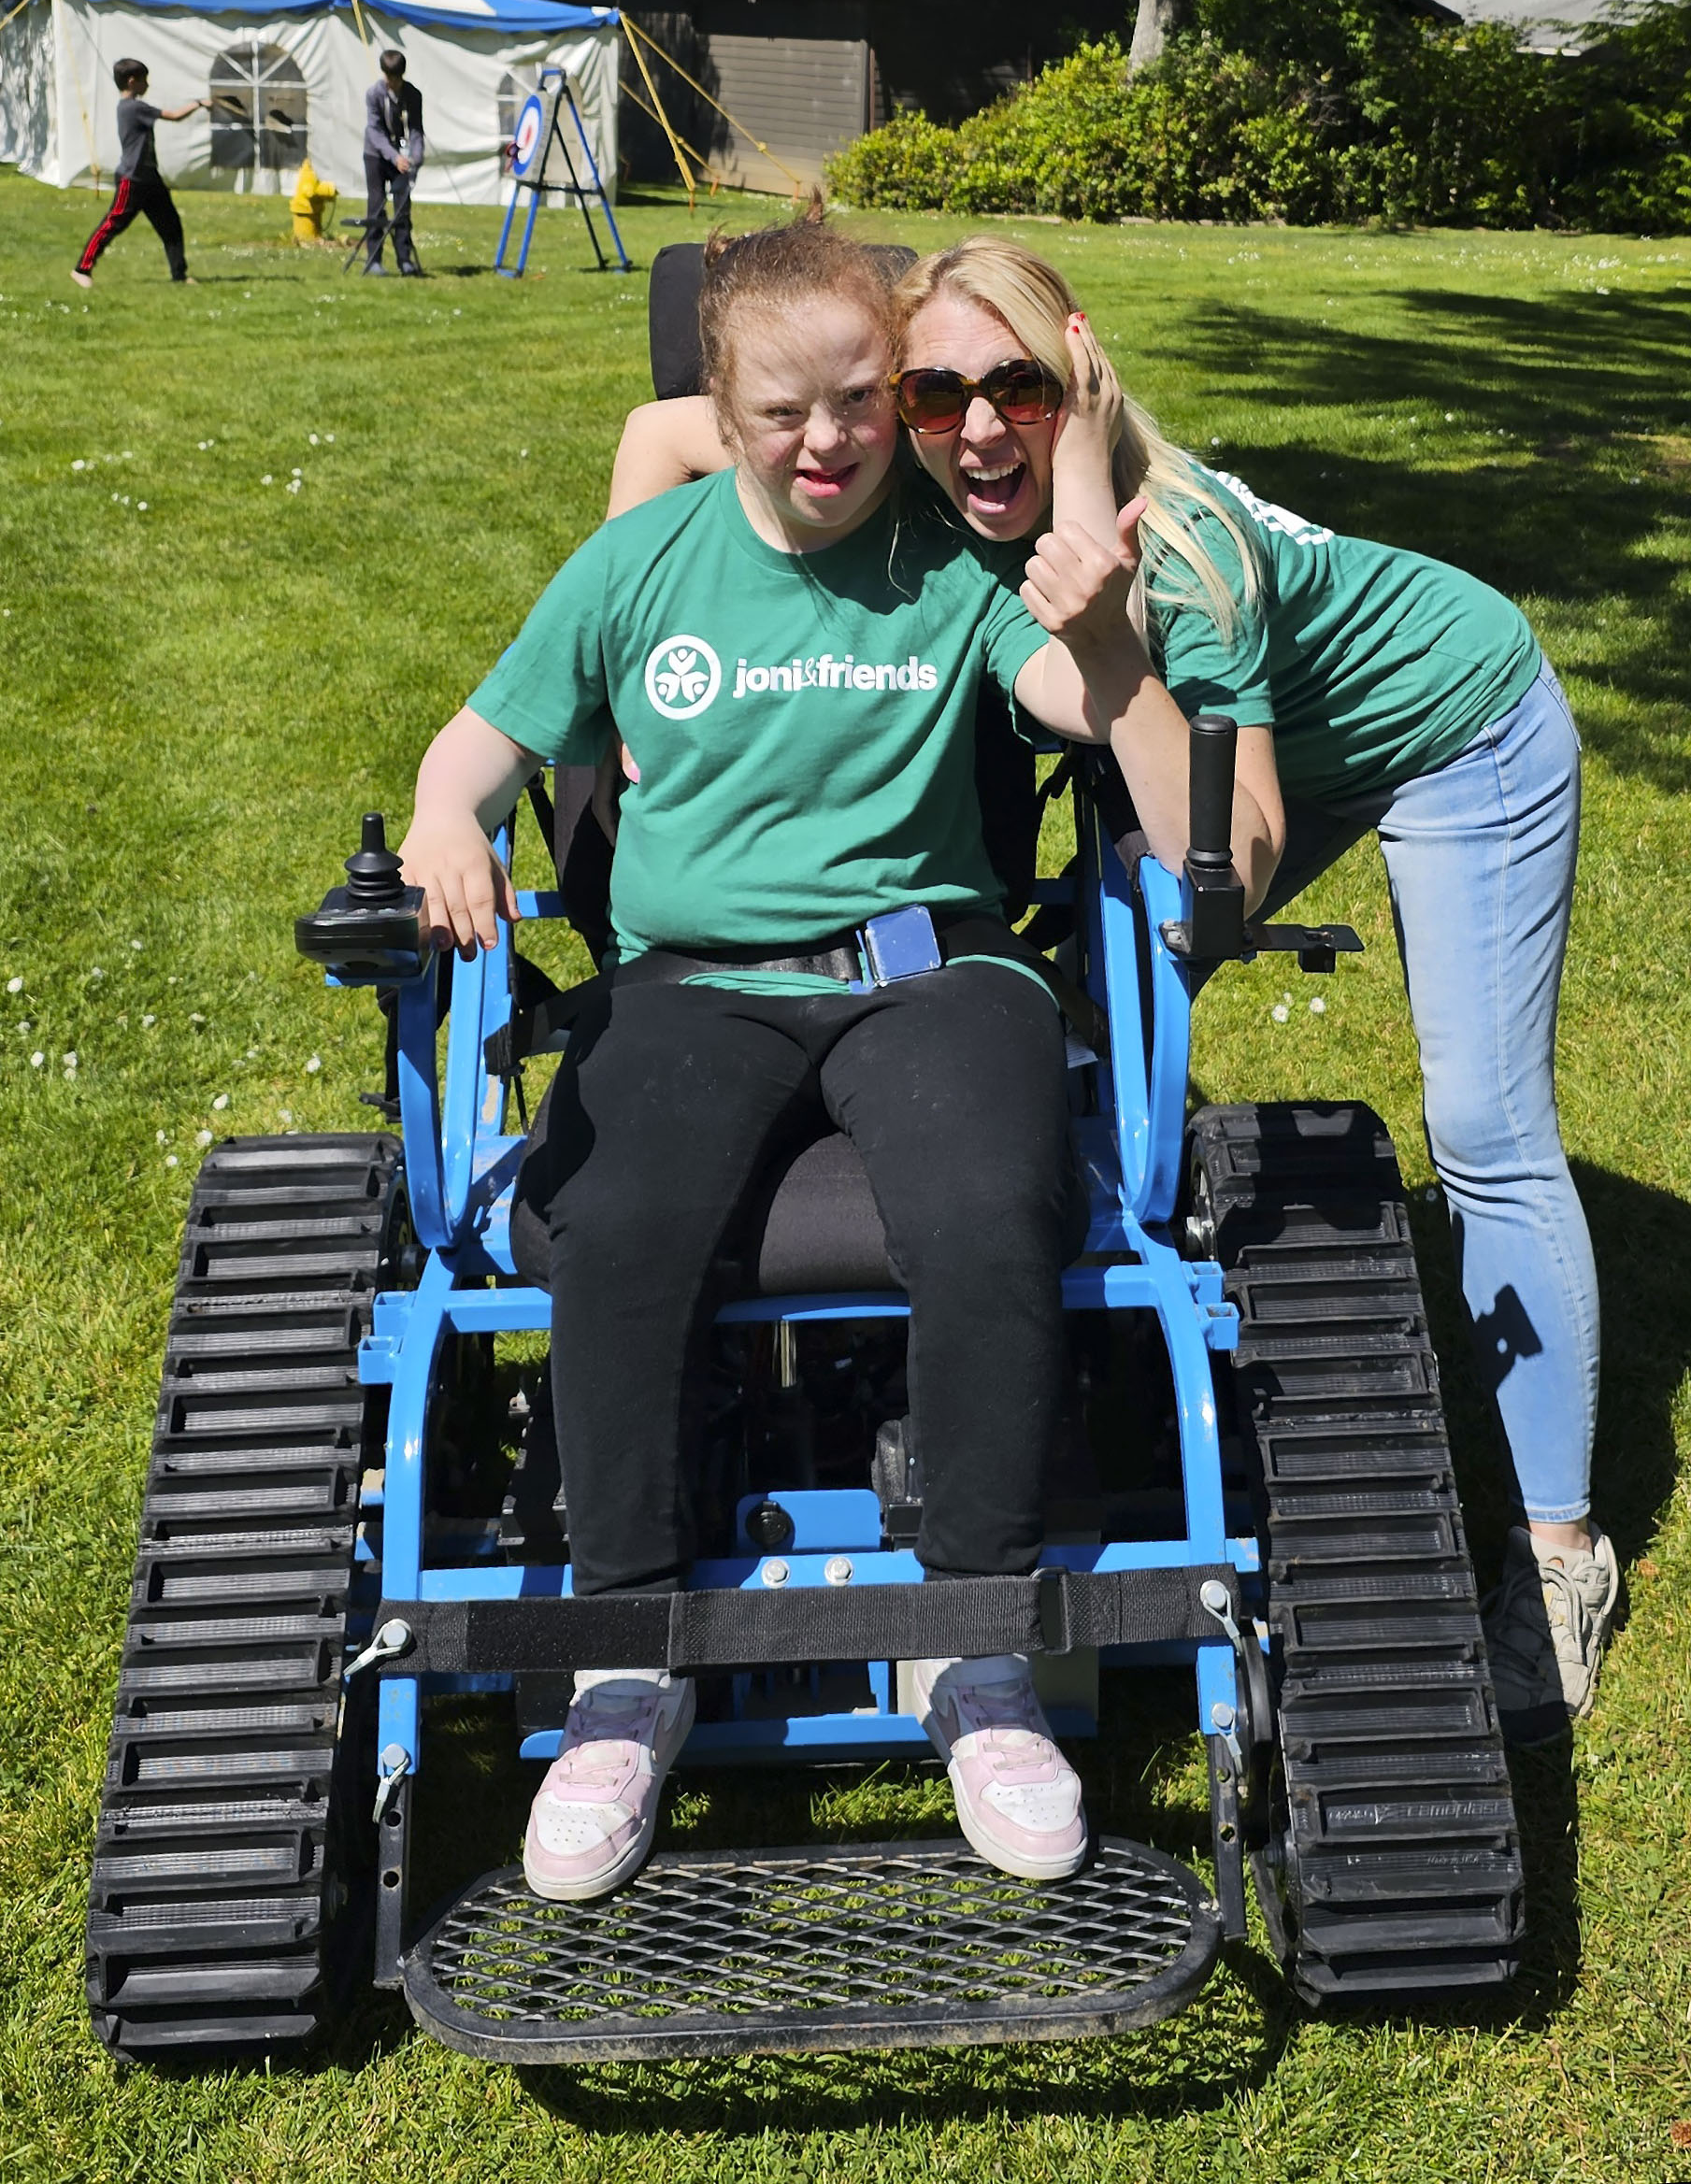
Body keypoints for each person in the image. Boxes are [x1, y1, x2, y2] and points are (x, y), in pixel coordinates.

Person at [611, 235, 1614, 1749]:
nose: (975, 426)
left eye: (1012, 383)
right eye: (931, 392)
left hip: (1448, 727)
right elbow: (661, 431)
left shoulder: (1188, 559)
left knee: (1477, 1122)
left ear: (1075, 365)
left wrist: (1097, 612)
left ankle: (1557, 1559)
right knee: (1067, 982)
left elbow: (1240, 867)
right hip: (1238, 729)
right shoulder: (923, 465)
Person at [398, 214, 1256, 1903]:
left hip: (928, 971)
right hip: (693, 982)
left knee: (993, 1202)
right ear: (721, 408)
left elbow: (1080, 709)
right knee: (617, 1225)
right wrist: (444, 821)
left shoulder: (945, 558)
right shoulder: (638, 565)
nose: (829, 440)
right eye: (786, 409)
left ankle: (977, 1657)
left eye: (863, 401)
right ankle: (625, 1668)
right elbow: (477, 746)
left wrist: (1098, 628)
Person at [72, 60, 207, 290]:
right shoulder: (134, 107)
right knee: (112, 224)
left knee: (171, 225)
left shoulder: (129, 107)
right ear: (132, 81)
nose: (148, 84)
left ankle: (179, 276)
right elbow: (174, 116)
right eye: (145, 80)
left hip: (149, 178)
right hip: (132, 180)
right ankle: (81, 270)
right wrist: (200, 103)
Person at [362, 49, 423, 278]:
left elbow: (416, 131)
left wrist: (414, 159)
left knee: (402, 208)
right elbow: (375, 132)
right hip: (376, 156)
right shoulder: (374, 94)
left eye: (395, 78)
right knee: (377, 206)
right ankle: (374, 260)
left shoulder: (413, 95)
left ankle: (405, 259)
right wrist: (394, 157)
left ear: (402, 75)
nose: (392, 83)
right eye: (388, 77)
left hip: (402, 159)